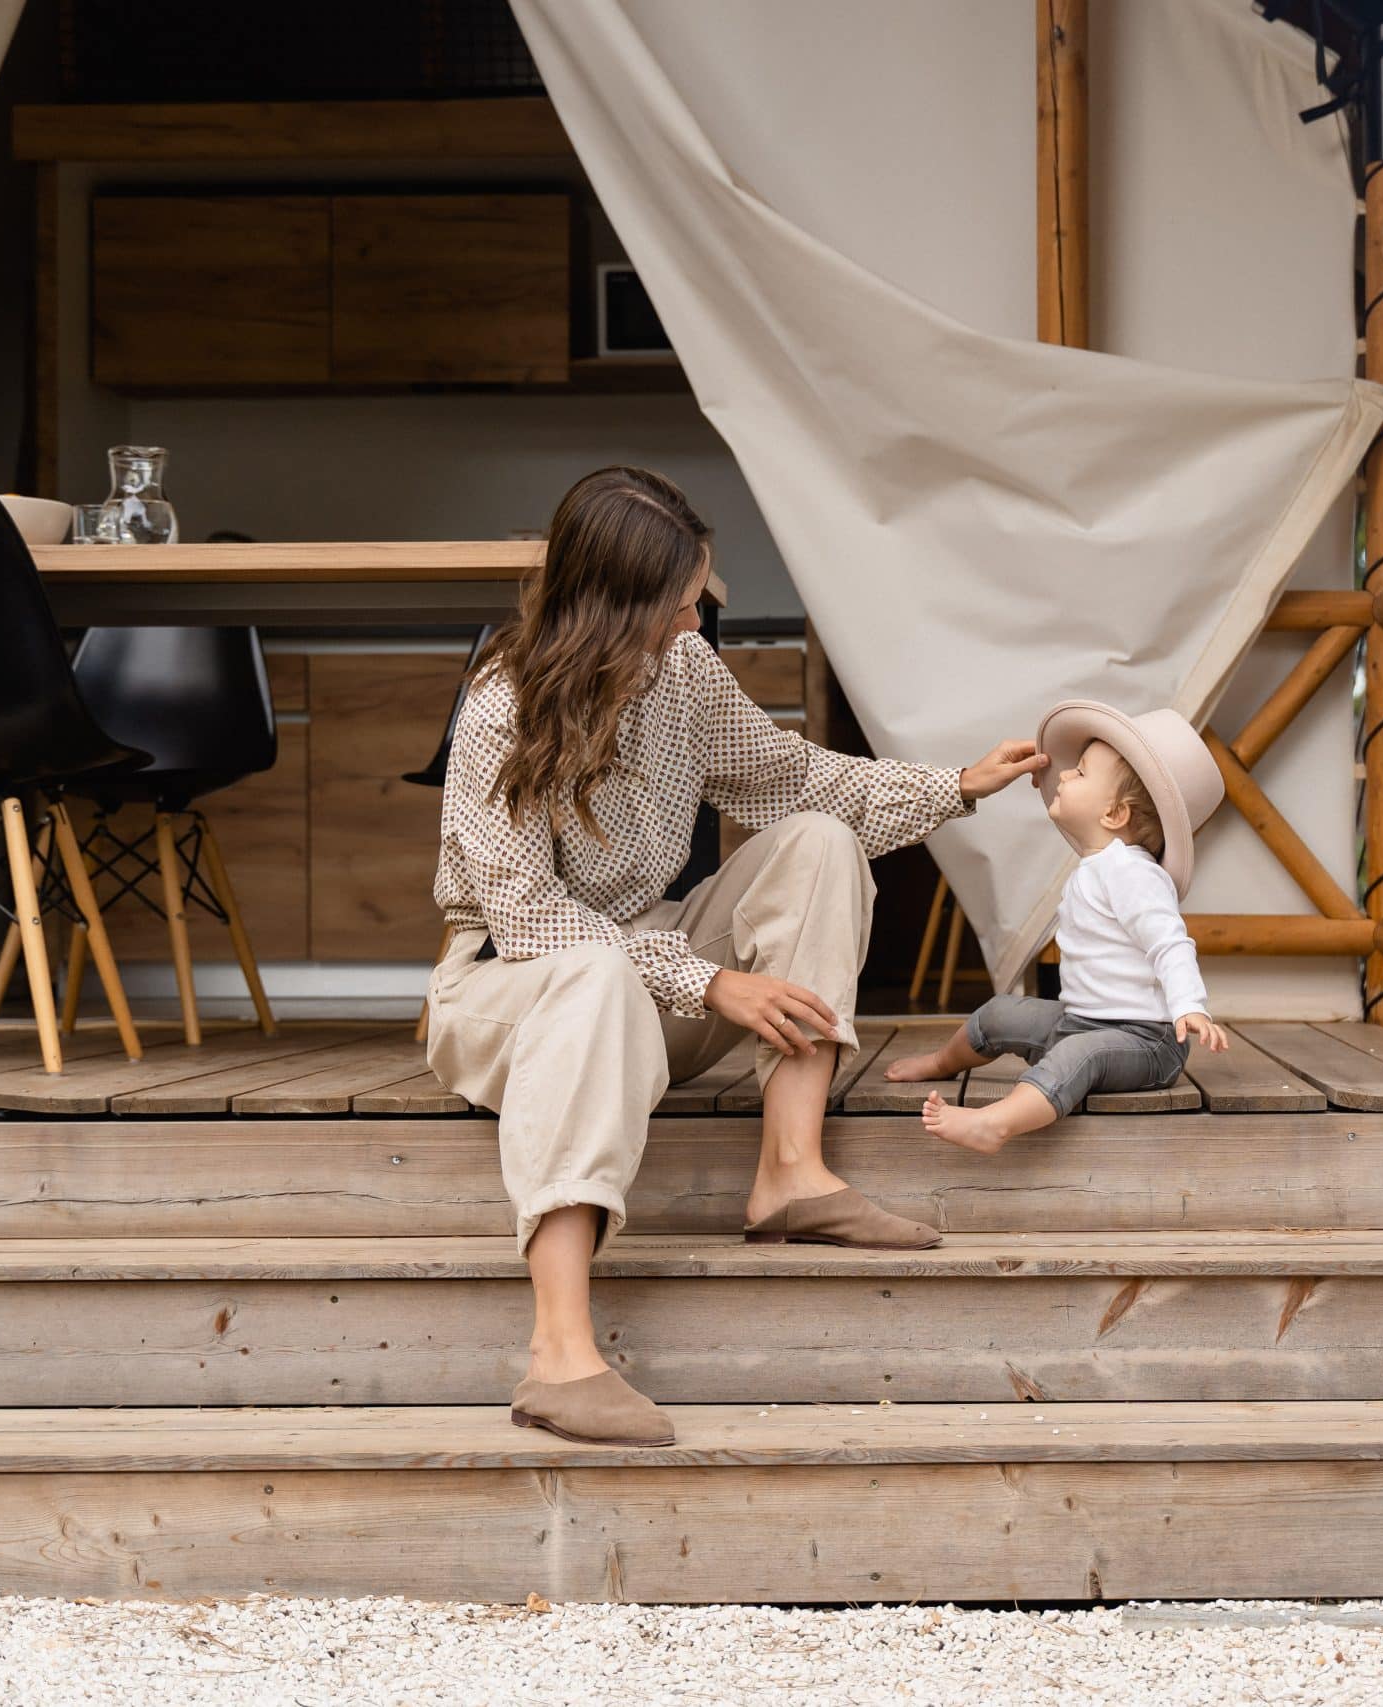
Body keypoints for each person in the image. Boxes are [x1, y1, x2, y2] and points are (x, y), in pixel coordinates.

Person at [424, 465, 1045, 1447]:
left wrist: (957, 786)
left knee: (814, 842)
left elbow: (794, 781)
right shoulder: (505, 705)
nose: (692, 625)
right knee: (590, 974)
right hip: (507, 998)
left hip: (641, 996)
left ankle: (792, 1173)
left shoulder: (684, 676)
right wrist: (705, 978)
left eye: (698, 601)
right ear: (611, 608)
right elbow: (534, 920)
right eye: (677, 607)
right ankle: (558, 1353)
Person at [885, 701, 1229, 1154]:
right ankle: (940, 1062)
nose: (1064, 776)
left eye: (1080, 774)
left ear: (1114, 815)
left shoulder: (1133, 873)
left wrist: (1189, 1005)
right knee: (1000, 1012)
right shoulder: (1099, 864)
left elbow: (1170, 943)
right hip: (1083, 1021)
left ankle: (997, 1124)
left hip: (1147, 1042)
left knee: (1076, 1057)